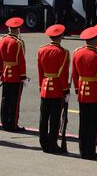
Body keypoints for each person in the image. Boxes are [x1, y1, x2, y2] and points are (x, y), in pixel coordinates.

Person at [72, 26, 97, 160]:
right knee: (93, 124)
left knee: (83, 123)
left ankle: (83, 150)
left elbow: (75, 75)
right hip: (96, 93)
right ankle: (90, 151)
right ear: (95, 40)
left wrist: (78, 89)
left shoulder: (77, 53)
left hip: (83, 92)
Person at [37, 24, 70, 154]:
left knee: (43, 117)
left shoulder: (42, 50)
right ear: (60, 36)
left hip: (45, 87)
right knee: (55, 119)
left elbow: (40, 71)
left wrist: (41, 86)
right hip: (56, 88)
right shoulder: (62, 52)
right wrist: (65, 89)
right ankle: (52, 144)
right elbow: (62, 75)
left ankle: (43, 142)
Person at [0, 17, 27, 131]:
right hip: (15, 75)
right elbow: (21, 62)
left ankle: (5, 123)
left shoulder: (2, 40)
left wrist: (1, 73)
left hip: (5, 73)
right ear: (17, 29)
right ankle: (13, 124)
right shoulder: (18, 42)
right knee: (14, 101)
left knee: (5, 99)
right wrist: (23, 76)